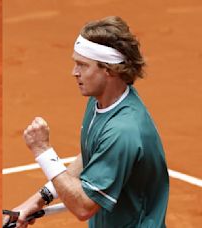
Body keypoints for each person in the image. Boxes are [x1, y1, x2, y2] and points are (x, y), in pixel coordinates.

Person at [11, 16, 169, 227]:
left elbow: (84, 206)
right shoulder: (103, 100)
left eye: (82, 65)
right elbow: (93, 156)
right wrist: (37, 200)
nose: (74, 72)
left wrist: (43, 150)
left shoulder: (123, 131)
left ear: (109, 70)